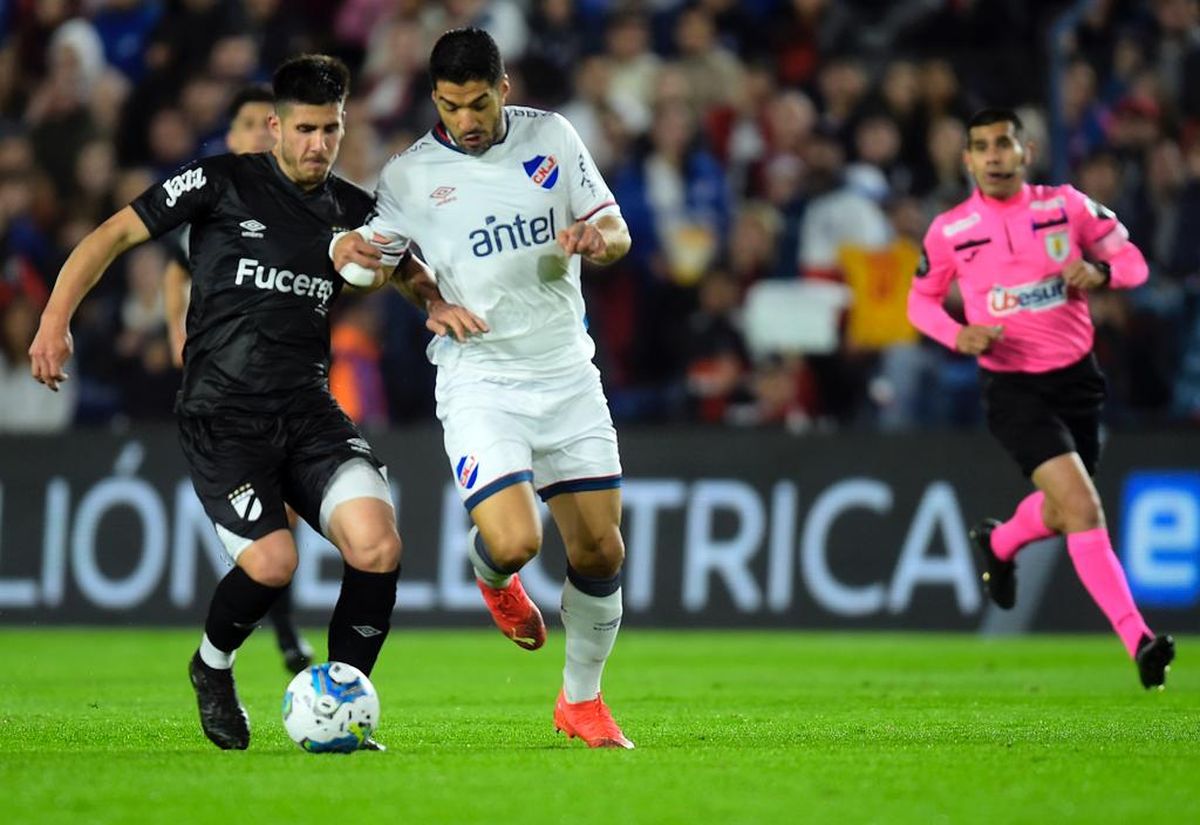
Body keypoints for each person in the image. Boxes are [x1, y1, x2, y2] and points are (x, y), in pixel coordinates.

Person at [30, 55, 405, 750]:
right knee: (271, 563)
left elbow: (402, 271)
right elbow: (113, 233)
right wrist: (55, 321)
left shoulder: (353, 211)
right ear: (274, 127)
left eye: (332, 129)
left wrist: (430, 297)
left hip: (308, 411)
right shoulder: (221, 181)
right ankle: (212, 665)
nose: (320, 143)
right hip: (222, 415)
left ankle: (338, 705)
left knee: (378, 545)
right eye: (305, 129)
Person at [332, 27, 636, 748]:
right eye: (448, 105)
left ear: (503, 89)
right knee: (516, 536)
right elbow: (385, 262)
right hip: (481, 374)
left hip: (565, 370)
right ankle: (493, 574)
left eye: (475, 104)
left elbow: (615, 229)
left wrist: (600, 242)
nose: (463, 121)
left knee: (602, 553)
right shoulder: (410, 175)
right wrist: (418, 294)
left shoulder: (554, 139)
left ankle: (581, 702)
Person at [906, 108, 1175, 689]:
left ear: (1025, 151)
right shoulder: (949, 230)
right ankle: (1140, 641)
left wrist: (1101, 272)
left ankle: (999, 542)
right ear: (968, 160)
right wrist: (959, 335)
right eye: (982, 147)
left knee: (1060, 511)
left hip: (1077, 379)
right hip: (1011, 385)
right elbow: (919, 302)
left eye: (1004, 143)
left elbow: (1133, 261)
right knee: (1083, 507)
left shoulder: (1067, 207)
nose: (995, 156)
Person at [162, 83, 315, 676]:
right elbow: (175, 272)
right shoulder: (214, 200)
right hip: (221, 389)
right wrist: (177, 330)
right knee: (264, 534)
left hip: (284, 385)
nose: (258, 131)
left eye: (265, 121)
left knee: (282, 529)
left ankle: (279, 631)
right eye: (247, 122)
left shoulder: (295, 202)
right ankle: (273, 637)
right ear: (231, 137)